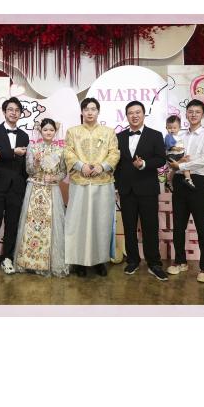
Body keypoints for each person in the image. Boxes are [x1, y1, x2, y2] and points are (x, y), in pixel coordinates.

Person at [64, 97, 120, 277]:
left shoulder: (108, 132)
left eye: (93, 109)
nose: (90, 112)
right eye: (86, 109)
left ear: (98, 111)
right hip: (80, 182)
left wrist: (102, 166)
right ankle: (79, 261)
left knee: (101, 222)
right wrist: (81, 166)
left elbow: (114, 153)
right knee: (78, 222)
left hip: (103, 183)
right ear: (81, 112)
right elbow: (68, 152)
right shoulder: (72, 132)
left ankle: (100, 260)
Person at [115, 101, 168, 281]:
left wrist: (144, 164)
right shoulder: (119, 137)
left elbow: (161, 159)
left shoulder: (155, 135)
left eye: (138, 112)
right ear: (126, 116)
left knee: (150, 227)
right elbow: (117, 164)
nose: (134, 115)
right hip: (126, 190)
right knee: (129, 227)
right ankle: (133, 260)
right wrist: (116, 185)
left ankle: (154, 263)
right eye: (131, 113)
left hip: (147, 189)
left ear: (144, 114)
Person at [13, 119, 69, 277]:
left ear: (55, 132)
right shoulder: (33, 147)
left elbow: (63, 171)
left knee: (52, 226)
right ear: (41, 131)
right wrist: (36, 162)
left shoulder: (61, 150)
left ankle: (50, 263)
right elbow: (29, 170)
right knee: (31, 224)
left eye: (51, 130)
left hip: (52, 190)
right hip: (34, 189)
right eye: (45, 130)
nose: (48, 132)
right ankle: (28, 262)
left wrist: (55, 178)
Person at [167, 99, 204, 283]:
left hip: (197, 182)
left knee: (202, 226)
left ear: (203, 115)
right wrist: (175, 164)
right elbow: (172, 155)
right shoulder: (180, 135)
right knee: (179, 225)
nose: (193, 114)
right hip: (179, 181)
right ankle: (180, 261)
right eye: (190, 111)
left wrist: (181, 165)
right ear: (186, 114)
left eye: (197, 112)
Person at [0, 97, 29, 276]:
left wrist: (27, 181)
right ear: (4, 112)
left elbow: (24, 163)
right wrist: (12, 152)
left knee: (12, 224)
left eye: (17, 110)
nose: (13, 113)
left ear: (20, 113)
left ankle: (7, 258)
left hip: (17, 186)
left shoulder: (24, 135)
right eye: (10, 109)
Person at [164, 114, 195, 192]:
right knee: (177, 167)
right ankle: (169, 182)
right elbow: (169, 146)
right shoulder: (168, 136)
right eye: (169, 128)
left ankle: (188, 179)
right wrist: (176, 148)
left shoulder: (179, 137)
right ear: (166, 128)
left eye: (174, 128)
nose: (172, 130)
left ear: (179, 128)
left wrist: (183, 153)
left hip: (179, 155)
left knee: (182, 166)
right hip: (172, 156)